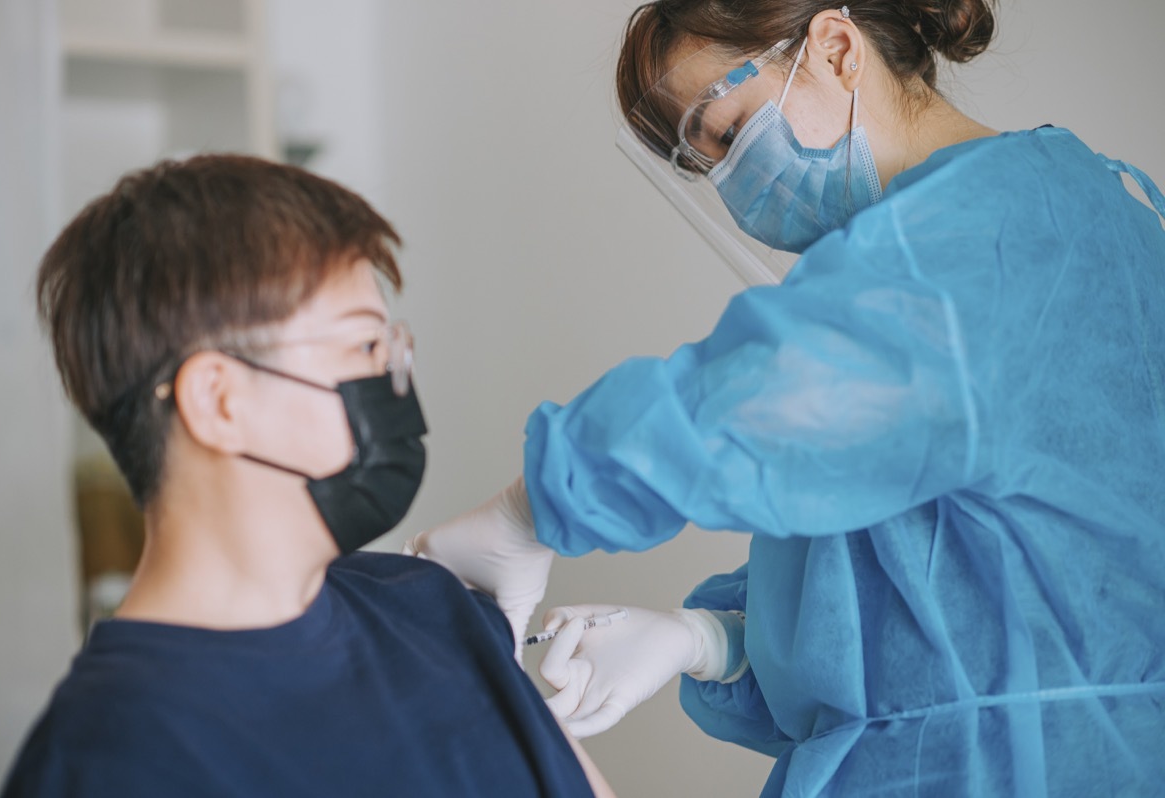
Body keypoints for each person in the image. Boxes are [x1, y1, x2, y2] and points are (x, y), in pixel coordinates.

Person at [407, 0, 1165, 795]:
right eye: (704, 163)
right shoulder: (1090, 212)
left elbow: (758, 405)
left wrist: (530, 508)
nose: (735, 187)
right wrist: (709, 638)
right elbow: (947, 585)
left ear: (837, 48)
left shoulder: (988, 236)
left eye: (729, 132)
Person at [0, 154, 612, 798]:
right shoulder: (106, 761)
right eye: (363, 348)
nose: (395, 383)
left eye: (392, 349)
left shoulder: (432, 605)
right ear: (219, 401)